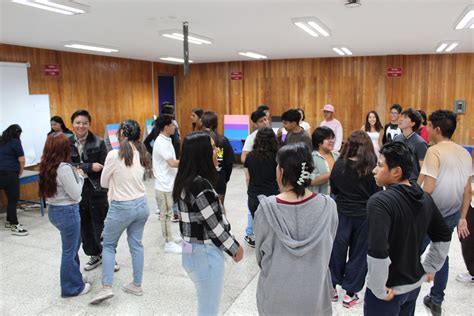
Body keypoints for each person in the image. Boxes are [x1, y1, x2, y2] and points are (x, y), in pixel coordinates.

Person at [365, 142, 451, 316]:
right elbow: (443, 234)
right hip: (413, 286)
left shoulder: (379, 202)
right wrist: (429, 268)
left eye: (380, 165)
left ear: (396, 172)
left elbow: (378, 250)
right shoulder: (424, 198)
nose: (374, 170)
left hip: (390, 290)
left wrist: (378, 288)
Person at [255, 142, 338, 315]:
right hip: (314, 296)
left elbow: (261, 256)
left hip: (276, 295)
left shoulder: (266, 209)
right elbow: (328, 245)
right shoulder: (328, 206)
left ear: (282, 171)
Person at [173, 131, 243, 316]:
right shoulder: (200, 186)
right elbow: (214, 227)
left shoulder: (184, 180)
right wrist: (235, 248)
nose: (216, 152)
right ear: (201, 154)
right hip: (205, 255)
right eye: (212, 148)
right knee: (209, 308)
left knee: (205, 300)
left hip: (189, 251)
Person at [90, 120, 152, 305]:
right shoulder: (142, 153)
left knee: (108, 245)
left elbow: (103, 183)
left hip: (121, 207)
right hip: (142, 205)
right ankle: (136, 285)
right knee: (136, 245)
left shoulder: (113, 155)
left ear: (122, 134)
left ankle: (106, 288)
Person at [417, 110, 472, 315]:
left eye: (429, 126)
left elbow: (428, 188)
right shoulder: (465, 153)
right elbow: (468, 190)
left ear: (437, 129)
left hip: (430, 214)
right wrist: (463, 218)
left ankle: (404, 290)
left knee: (412, 249)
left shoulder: (434, 151)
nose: (427, 129)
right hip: (451, 215)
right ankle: (437, 298)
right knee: (442, 255)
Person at [329, 130, 380, 308]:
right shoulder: (372, 166)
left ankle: (332, 288)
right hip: (365, 215)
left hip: (341, 212)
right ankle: (350, 293)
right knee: (359, 254)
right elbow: (377, 193)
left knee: (337, 250)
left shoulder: (339, 164)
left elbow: (333, 189)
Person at [39, 132, 89, 297]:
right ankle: (71, 288)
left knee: (72, 248)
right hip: (67, 212)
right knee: (69, 251)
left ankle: (75, 279)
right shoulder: (64, 168)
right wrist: (80, 177)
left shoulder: (46, 165)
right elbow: (76, 195)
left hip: (55, 211)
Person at [70, 109, 112, 271]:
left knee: (101, 224)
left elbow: (104, 166)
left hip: (97, 188)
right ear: (72, 124)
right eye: (78, 123)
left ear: (89, 124)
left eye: (84, 123)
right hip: (77, 189)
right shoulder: (66, 143)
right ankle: (94, 255)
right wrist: (89, 166)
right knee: (85, 224)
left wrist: (81, 168)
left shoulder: (99, 142)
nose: (81, 126)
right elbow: (65, 166)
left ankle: (109, 256)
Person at [241, 109, 270, 248]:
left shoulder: (272, 135)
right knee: (253, 207)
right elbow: (243, 157)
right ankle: (250, 233)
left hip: (269, 179)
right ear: (255, 124)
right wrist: (257, 160)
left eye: (265, 119)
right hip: (256, 178)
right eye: (261, 121)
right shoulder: (251, 138)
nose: (265, 122)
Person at [153, 115, 181, 253]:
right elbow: (172, 162)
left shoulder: (166, 139)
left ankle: (170, 236)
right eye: (173, 125)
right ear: (166, 127)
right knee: (166, 214)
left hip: (169, 182)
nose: (175, 127)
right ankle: (168, 243)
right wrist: (189, 161)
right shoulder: (161, 142)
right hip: (163, 185)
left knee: (169, 212)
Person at [244, 127, 279, 218]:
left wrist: (251, 191)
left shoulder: (250, 156)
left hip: (254, 195)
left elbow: (248, 178)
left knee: (258, 227)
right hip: (273, 195)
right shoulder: (278, 156)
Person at [201, 111, 235, 205]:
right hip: (219, 179)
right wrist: (224, 178)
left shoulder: (197, 139)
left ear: (202, 122)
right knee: (220, 210)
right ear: (216, 123)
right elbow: (229, 164)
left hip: (201, 181)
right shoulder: (223, 140)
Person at [0, 124, 27, 236]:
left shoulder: (1, 141)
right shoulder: (15, 141)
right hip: (10, 173)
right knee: (13, 199)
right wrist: (20, 171)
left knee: (9, 198)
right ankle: (14, 224)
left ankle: (8, 220)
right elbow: (22, 160)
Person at [393, 108, 427, 181]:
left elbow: (424, 171)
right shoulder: (396, 139)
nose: (400, 119)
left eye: (405, 117)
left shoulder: (420, 143)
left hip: (412, 183)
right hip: (396, 181)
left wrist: (417, 187)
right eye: (401, 117)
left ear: (412, 123)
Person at [309, 127, 339, 195]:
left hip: (338, 197)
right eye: (328, 139)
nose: (332, 141)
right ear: (319, 142)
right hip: (320, 198)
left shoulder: (338, 156)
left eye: (333, 138)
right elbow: (310, 180)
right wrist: (333, 173)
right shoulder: (311, 158)